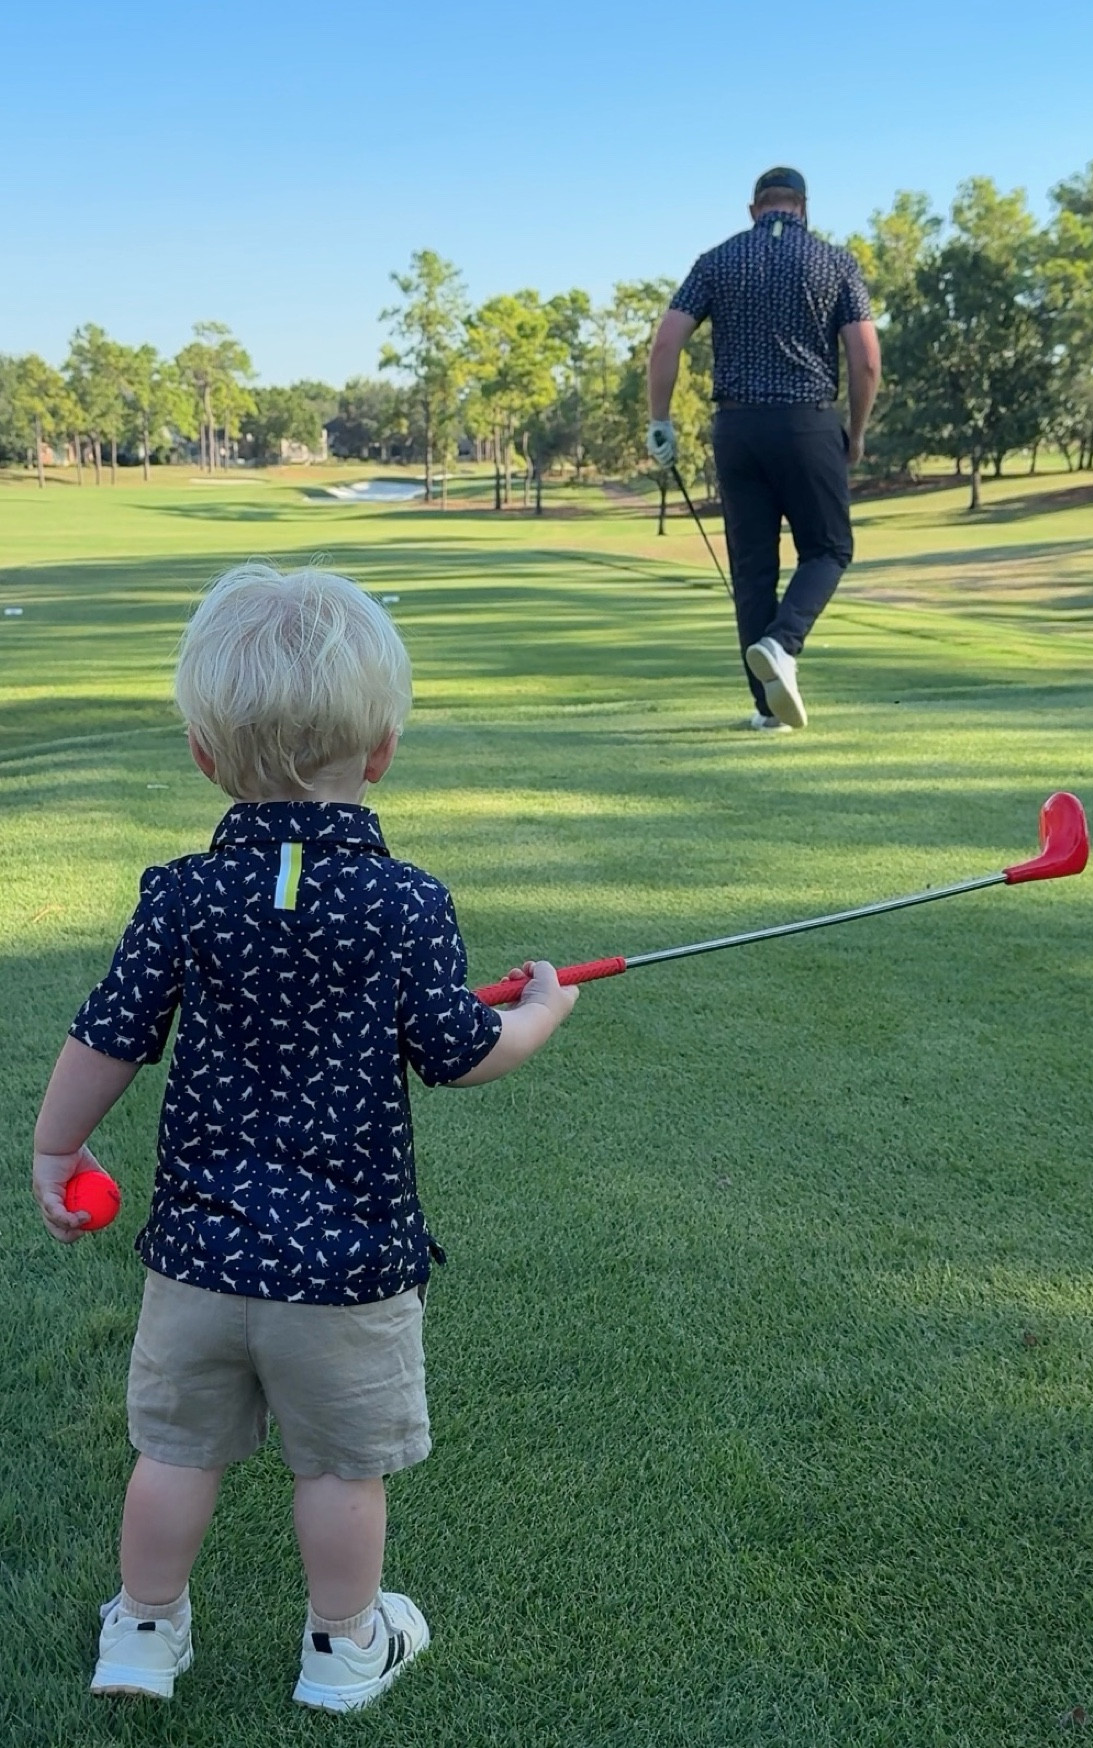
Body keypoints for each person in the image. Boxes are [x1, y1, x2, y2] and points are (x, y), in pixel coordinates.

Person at [31, 563, 577, 1713]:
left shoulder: (181, 894)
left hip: (198, 1258)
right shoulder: (406, 901)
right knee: (340, 1467)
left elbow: (108, 1034)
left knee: (177, 1452)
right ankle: (341, 1646)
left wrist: (52, 1150)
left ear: (201, 751)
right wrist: (532, 1016)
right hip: (345, 1269)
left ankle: (140, 1632)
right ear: (380, 749)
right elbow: (453, 1050)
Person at [646, 165, 881, 731]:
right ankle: (784, 641)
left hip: (737, 429)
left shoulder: (718, 260)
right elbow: (866, 359)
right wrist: (857, 430)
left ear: (754, 209)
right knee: (828, 550)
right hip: (808, 424)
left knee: (753, 572)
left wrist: (660, 422)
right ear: (805, 206)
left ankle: (767, 710)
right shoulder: (835, 261)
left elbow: (666, 342)